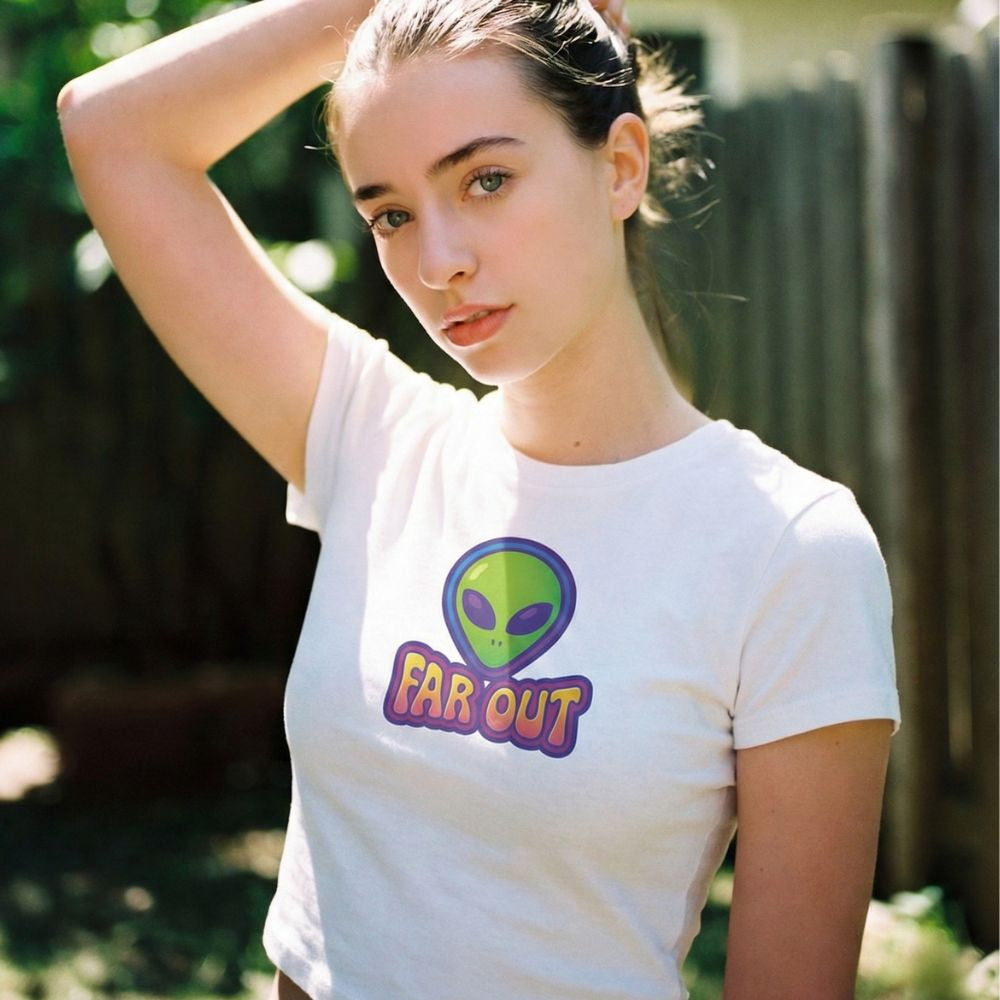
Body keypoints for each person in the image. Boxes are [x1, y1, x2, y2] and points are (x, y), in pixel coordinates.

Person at [57, 0, 901, 997]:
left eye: (485, 180)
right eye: (391, 214)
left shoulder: (788, 548)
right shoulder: (375, 441)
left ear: (620, 166)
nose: (438, 261)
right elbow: (112, 130)